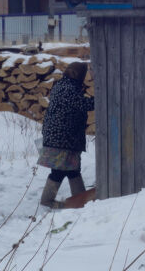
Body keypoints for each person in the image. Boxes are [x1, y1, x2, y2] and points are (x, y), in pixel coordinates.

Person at [39, 61, 94, 208]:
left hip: (58, 136)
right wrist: (102, 98)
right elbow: (84, 105)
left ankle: (81, 200)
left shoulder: (62, 85)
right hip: (63, 138)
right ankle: (47, 201)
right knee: (60, 170)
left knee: (72, 169)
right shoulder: (69, 89)